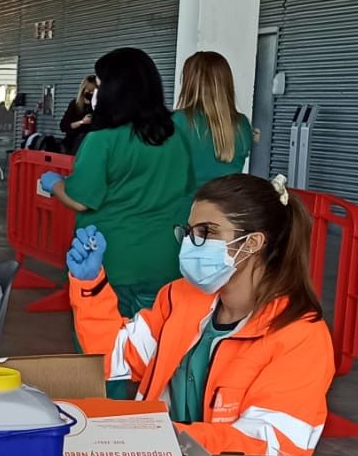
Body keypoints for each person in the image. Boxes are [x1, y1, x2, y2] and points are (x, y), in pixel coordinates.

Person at [65, 172, 333, 456]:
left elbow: (269, 448)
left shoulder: (300, 336)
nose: (191, 244)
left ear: (253, 243)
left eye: (207, 232)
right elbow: (113, 357)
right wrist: (90, 285)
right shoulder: (180, 298)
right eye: (190, 232)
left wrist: (159, 436)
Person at [37, 47, 192, 317]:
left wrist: (54, 183)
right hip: (166, 258)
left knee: (105, 345)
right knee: (155, 346)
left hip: (112, 260)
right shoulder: (175, 136)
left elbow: (80, 199)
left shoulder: (102, 140)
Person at [174, 50, 255, 186]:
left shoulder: (177, 122)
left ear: (189, 84)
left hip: (186, 206)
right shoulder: (242, 125)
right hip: (228, 205)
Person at [59, 75, 99, 153]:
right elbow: (63, 126)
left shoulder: (96, 106)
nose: (91, 93)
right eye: (89, 91)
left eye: (93, 91)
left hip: (89, 145)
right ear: (83, 90)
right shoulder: (74, 104)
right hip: (73, 144)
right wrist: (82, 122)